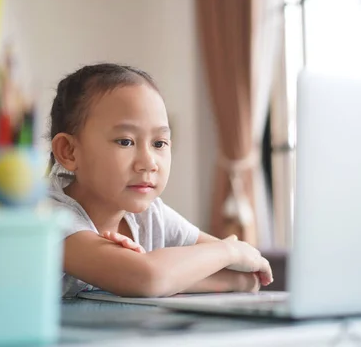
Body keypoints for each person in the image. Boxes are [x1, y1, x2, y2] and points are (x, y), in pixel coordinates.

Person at [47, 63, 273, 297]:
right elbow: (148, 278)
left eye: (159, 143)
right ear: (69, 151)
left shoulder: (151, 215)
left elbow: (248, 277)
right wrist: (229, 250)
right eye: (125, 141)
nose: (149, 162)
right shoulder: (49, 218)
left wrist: (166, 276)